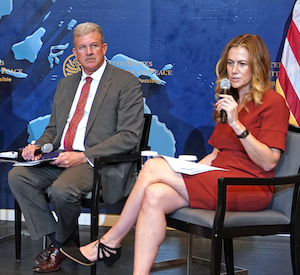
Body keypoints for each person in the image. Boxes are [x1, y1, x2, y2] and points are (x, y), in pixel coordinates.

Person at [61, 34, 290, 274]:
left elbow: (268, 162)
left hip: (247, 186)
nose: (234, 70)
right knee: (154, 194)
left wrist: (237, 125)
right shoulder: (229, 101)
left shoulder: (272, 102)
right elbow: (215, 155)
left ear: (258, 65)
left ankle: (110, 241)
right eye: (230, 63)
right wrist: (194, 171)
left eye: (242, 64)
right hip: (218, 177)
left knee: (152, 167)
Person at [8, 22, 144, 272]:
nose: (89, 52)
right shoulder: (66, 85)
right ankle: (64, 244)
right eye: (83, 47)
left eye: (94, 46)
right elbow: (53, 130)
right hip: (61, 158)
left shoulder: (126, 83)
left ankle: (59, 247)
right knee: (18, 176)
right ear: (75, 53)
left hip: (99, 163)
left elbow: (129, 136)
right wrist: (37, 146)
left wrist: (84, 157)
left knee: (62, 190)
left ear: (104, 48)